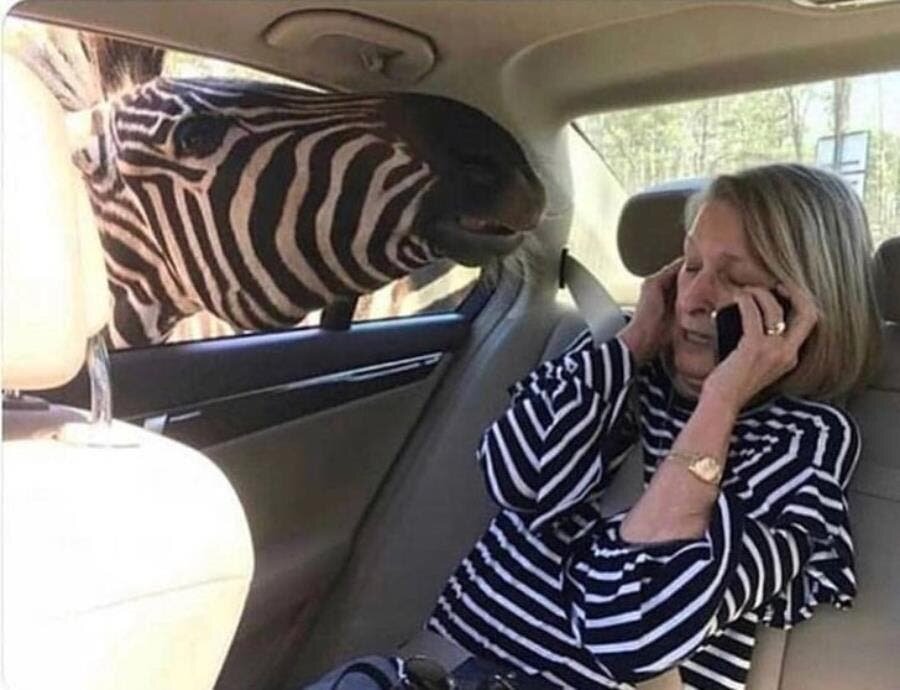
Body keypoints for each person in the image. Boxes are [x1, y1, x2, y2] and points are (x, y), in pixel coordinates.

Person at [307, 163, 882, 689]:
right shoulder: (614, 362)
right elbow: (516, 478)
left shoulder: (804, 439)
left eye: (735, 278)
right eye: (691, 265)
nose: (695, 297)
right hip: (436, 671)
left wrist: (722, 400)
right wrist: (629, 343)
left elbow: (630, 626)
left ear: (801, 307)